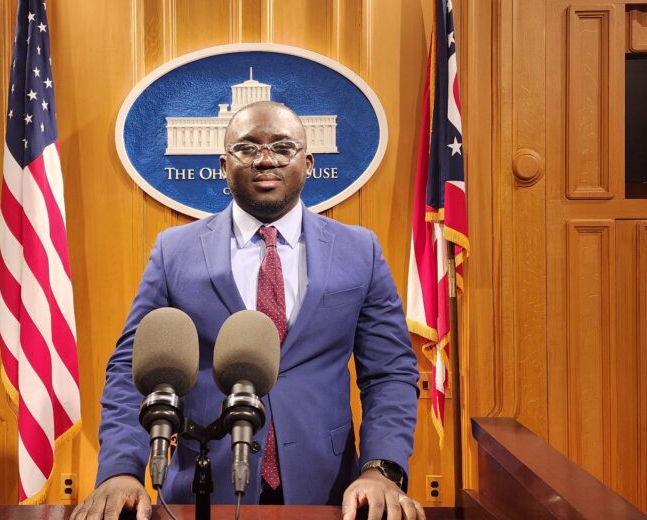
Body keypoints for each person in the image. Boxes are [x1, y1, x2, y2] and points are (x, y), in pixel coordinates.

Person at [71, 101, 425, 520]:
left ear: (308, 162)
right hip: (203, 491)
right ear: (224, 165)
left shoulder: (359, 250)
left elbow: (389, 373)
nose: (265, 159)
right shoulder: (175, 252)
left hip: (328, 491)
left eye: (282, 146)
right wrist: (121, 471)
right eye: (247, 147)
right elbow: (133, 371)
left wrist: (381, 469)